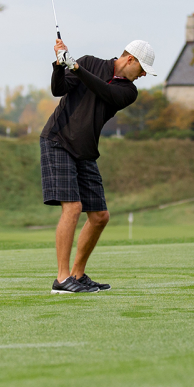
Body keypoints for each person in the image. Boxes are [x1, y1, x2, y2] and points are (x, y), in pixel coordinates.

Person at [41, 37, 156, 294]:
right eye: (143, 68)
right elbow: (58, 90)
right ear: (130, 59)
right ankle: (62, 280)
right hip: (58, 139)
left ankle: (77, 275)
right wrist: (60, 65)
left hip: (85, 150)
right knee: (72, 208)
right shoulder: (91, 62)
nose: (144, 74)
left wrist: (77, 69)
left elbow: (105, 92)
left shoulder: (129, 92)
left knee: (100, 216)